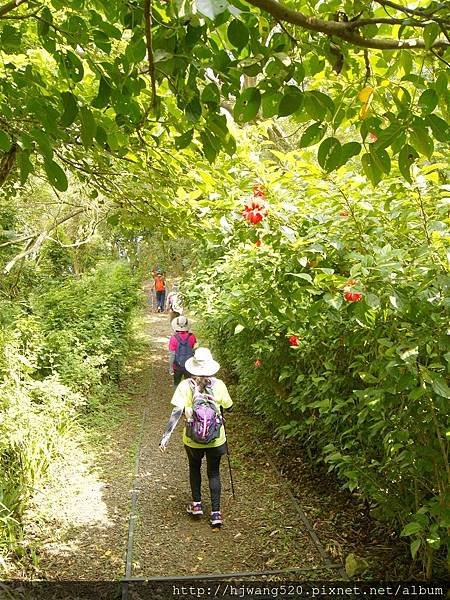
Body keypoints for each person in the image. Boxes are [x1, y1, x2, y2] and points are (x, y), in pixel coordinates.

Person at [159, 348, 233, 528]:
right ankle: (216, 513)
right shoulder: (220, 385)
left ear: (193, 367)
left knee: (194, 468)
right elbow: (229, 408)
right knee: (214, 473)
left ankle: (197, 505)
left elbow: (176, 412)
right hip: (216, 439)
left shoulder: (185, 386)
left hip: (192, 439)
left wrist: (166, 436)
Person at [168, 316, 196, 387]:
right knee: (190, 385)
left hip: (177, 366)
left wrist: (171, 367)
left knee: (176, 384)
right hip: (189, 365)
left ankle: (176, 397)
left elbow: (172, 355)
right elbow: (194, 351)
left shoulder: (173, 338)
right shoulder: (192, 337)